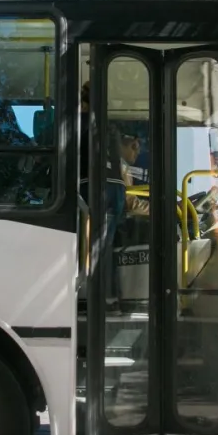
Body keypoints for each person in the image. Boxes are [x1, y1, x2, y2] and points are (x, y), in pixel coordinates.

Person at [79, 81, 125, 312]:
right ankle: (110, 298)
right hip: (115, 190)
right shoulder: (111, 127)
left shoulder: (80, 125)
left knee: (94, 247)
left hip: (94, 188)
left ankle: (99, 300)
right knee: (106, 246)